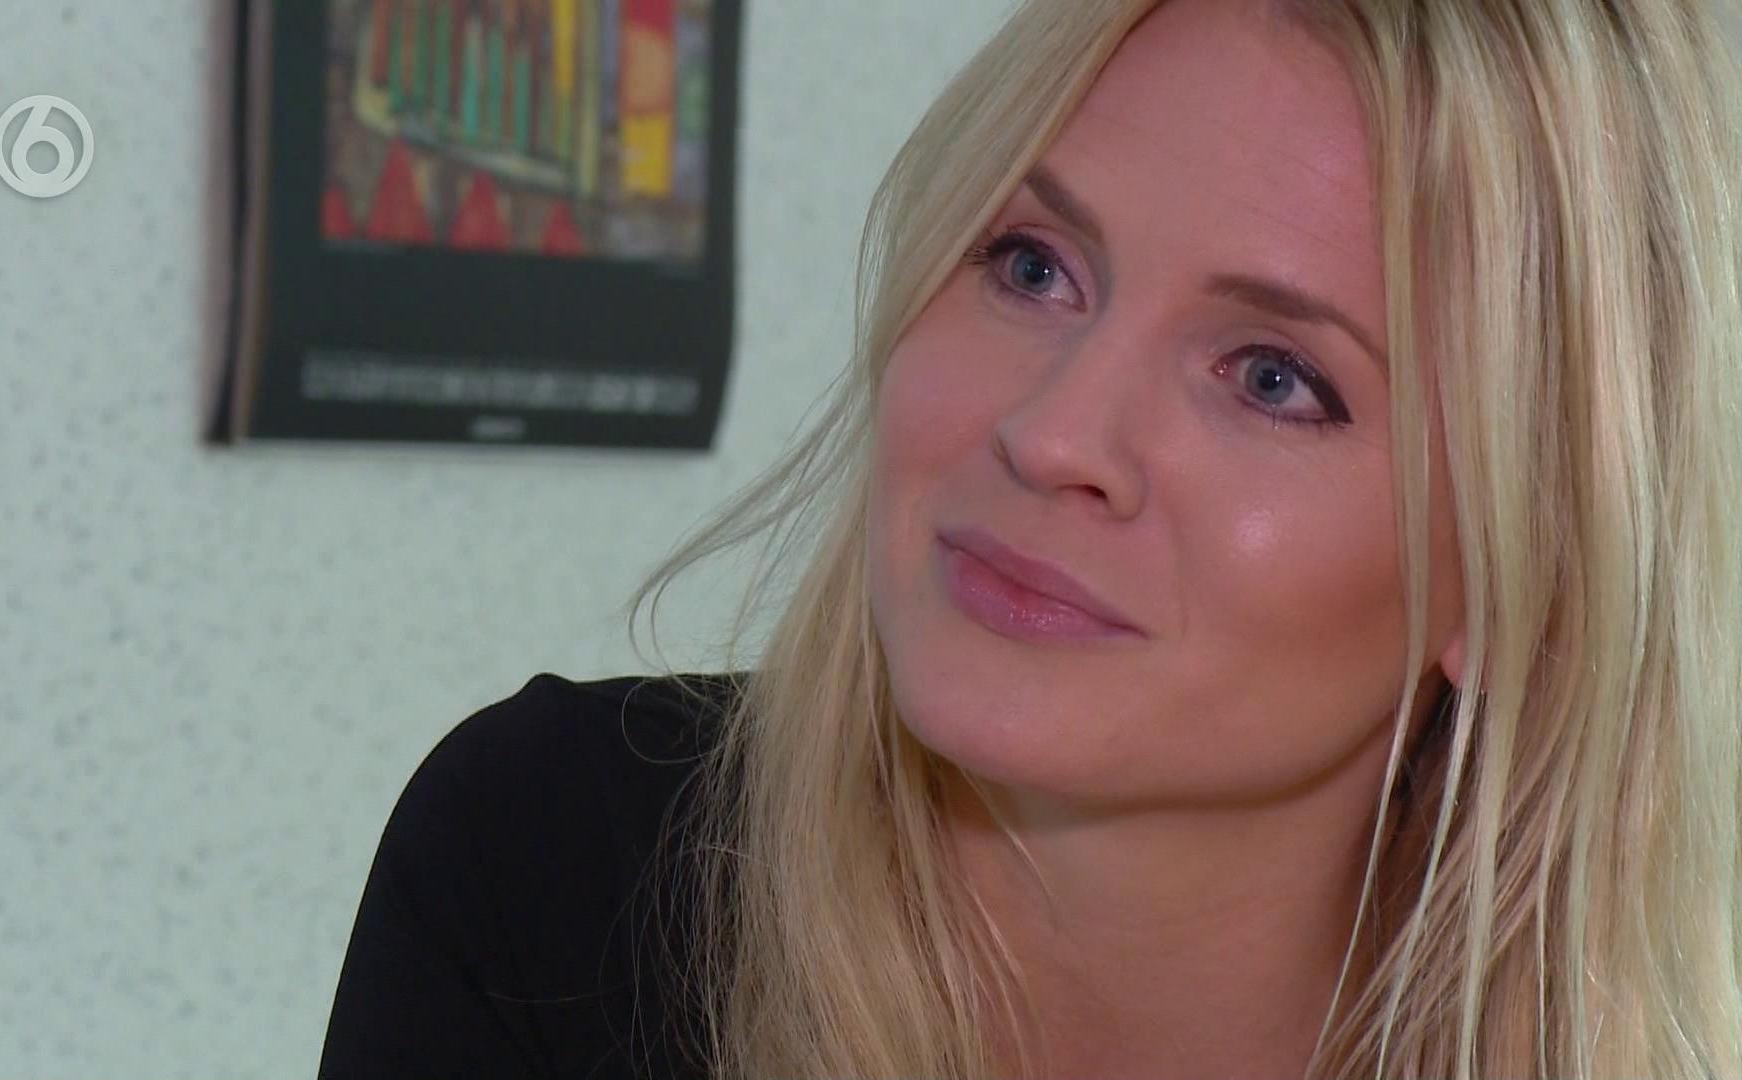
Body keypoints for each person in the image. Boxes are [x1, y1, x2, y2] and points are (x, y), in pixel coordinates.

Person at [318, 0, 1742, 1076]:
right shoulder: (552, 874)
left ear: (1530, 583)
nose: (1053, 435)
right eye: (1033, 266)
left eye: (1272, 378)